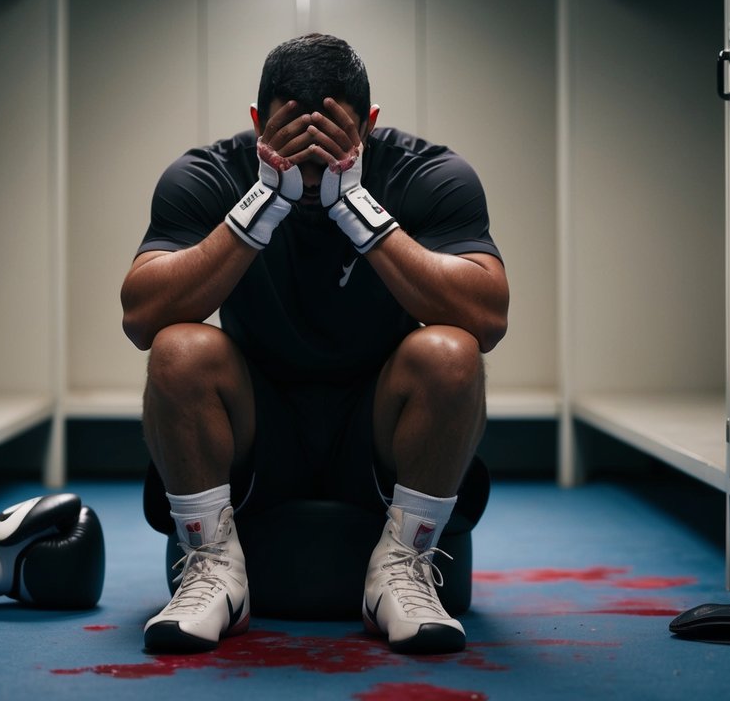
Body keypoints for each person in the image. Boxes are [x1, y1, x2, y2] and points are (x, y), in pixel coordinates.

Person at [120, 33, 508, 655]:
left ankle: (404, 565)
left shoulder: (426, 173)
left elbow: (488, 317)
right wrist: (256, 211)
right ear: (256, 125)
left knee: (450, 352)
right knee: (178, 349)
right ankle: (213, 566)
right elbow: (141, 316)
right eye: (289, 147)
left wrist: (359, 208)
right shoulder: (210, 173)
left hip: (379, 431)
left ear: (370, 126)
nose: (307, 170)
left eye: (330, 147)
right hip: (257, 427)